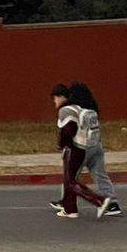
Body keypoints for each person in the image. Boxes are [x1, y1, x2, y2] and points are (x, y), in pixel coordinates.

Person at [48, 83, 108, 219]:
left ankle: (99, 200)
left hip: (74, 148)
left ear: (61, 96)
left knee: (70, 181)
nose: (54, 101)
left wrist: (62, 144)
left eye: (55, 98)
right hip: (83, 146)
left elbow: (69, 129)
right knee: (70, 180)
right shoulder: (78, 107)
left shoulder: (65, 110)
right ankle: (70, 209)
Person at [67, 81, 121, 217]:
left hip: (82, 147)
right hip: (97, 145)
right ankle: (112, 203)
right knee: (100, 175)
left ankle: (67, 203)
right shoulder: (92, 110)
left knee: (70, 177)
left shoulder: (76, 111)